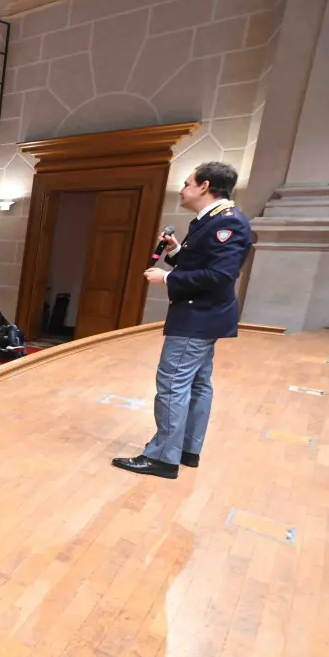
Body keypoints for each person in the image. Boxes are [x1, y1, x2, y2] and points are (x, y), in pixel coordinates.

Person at [114, 161, 252, 480]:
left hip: (198, 316)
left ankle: (162, 457)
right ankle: (187, 449)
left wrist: (168, 278)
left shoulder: (227, 223)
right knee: (198, 384)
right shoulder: (210, 220)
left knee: (173, 383)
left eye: (188, 183)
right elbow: (202, 264)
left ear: (205, 186)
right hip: (204, 315)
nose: (182, 188)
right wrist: (176, 251)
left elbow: (220, 276)